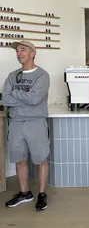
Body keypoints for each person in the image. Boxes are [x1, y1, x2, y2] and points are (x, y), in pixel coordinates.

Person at [2, 40, 50, 210]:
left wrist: (15, 94)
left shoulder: (42, 75)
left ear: (32, 53)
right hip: (16, 123)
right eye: (17, 51)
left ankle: (42, 194)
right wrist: (25, 96)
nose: (19, 53)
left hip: (36, 122)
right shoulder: (12, 76)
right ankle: (24, 193)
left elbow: (36, 99)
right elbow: (5, 99)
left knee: (40, 159)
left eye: (23, 50)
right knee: (19, 159)